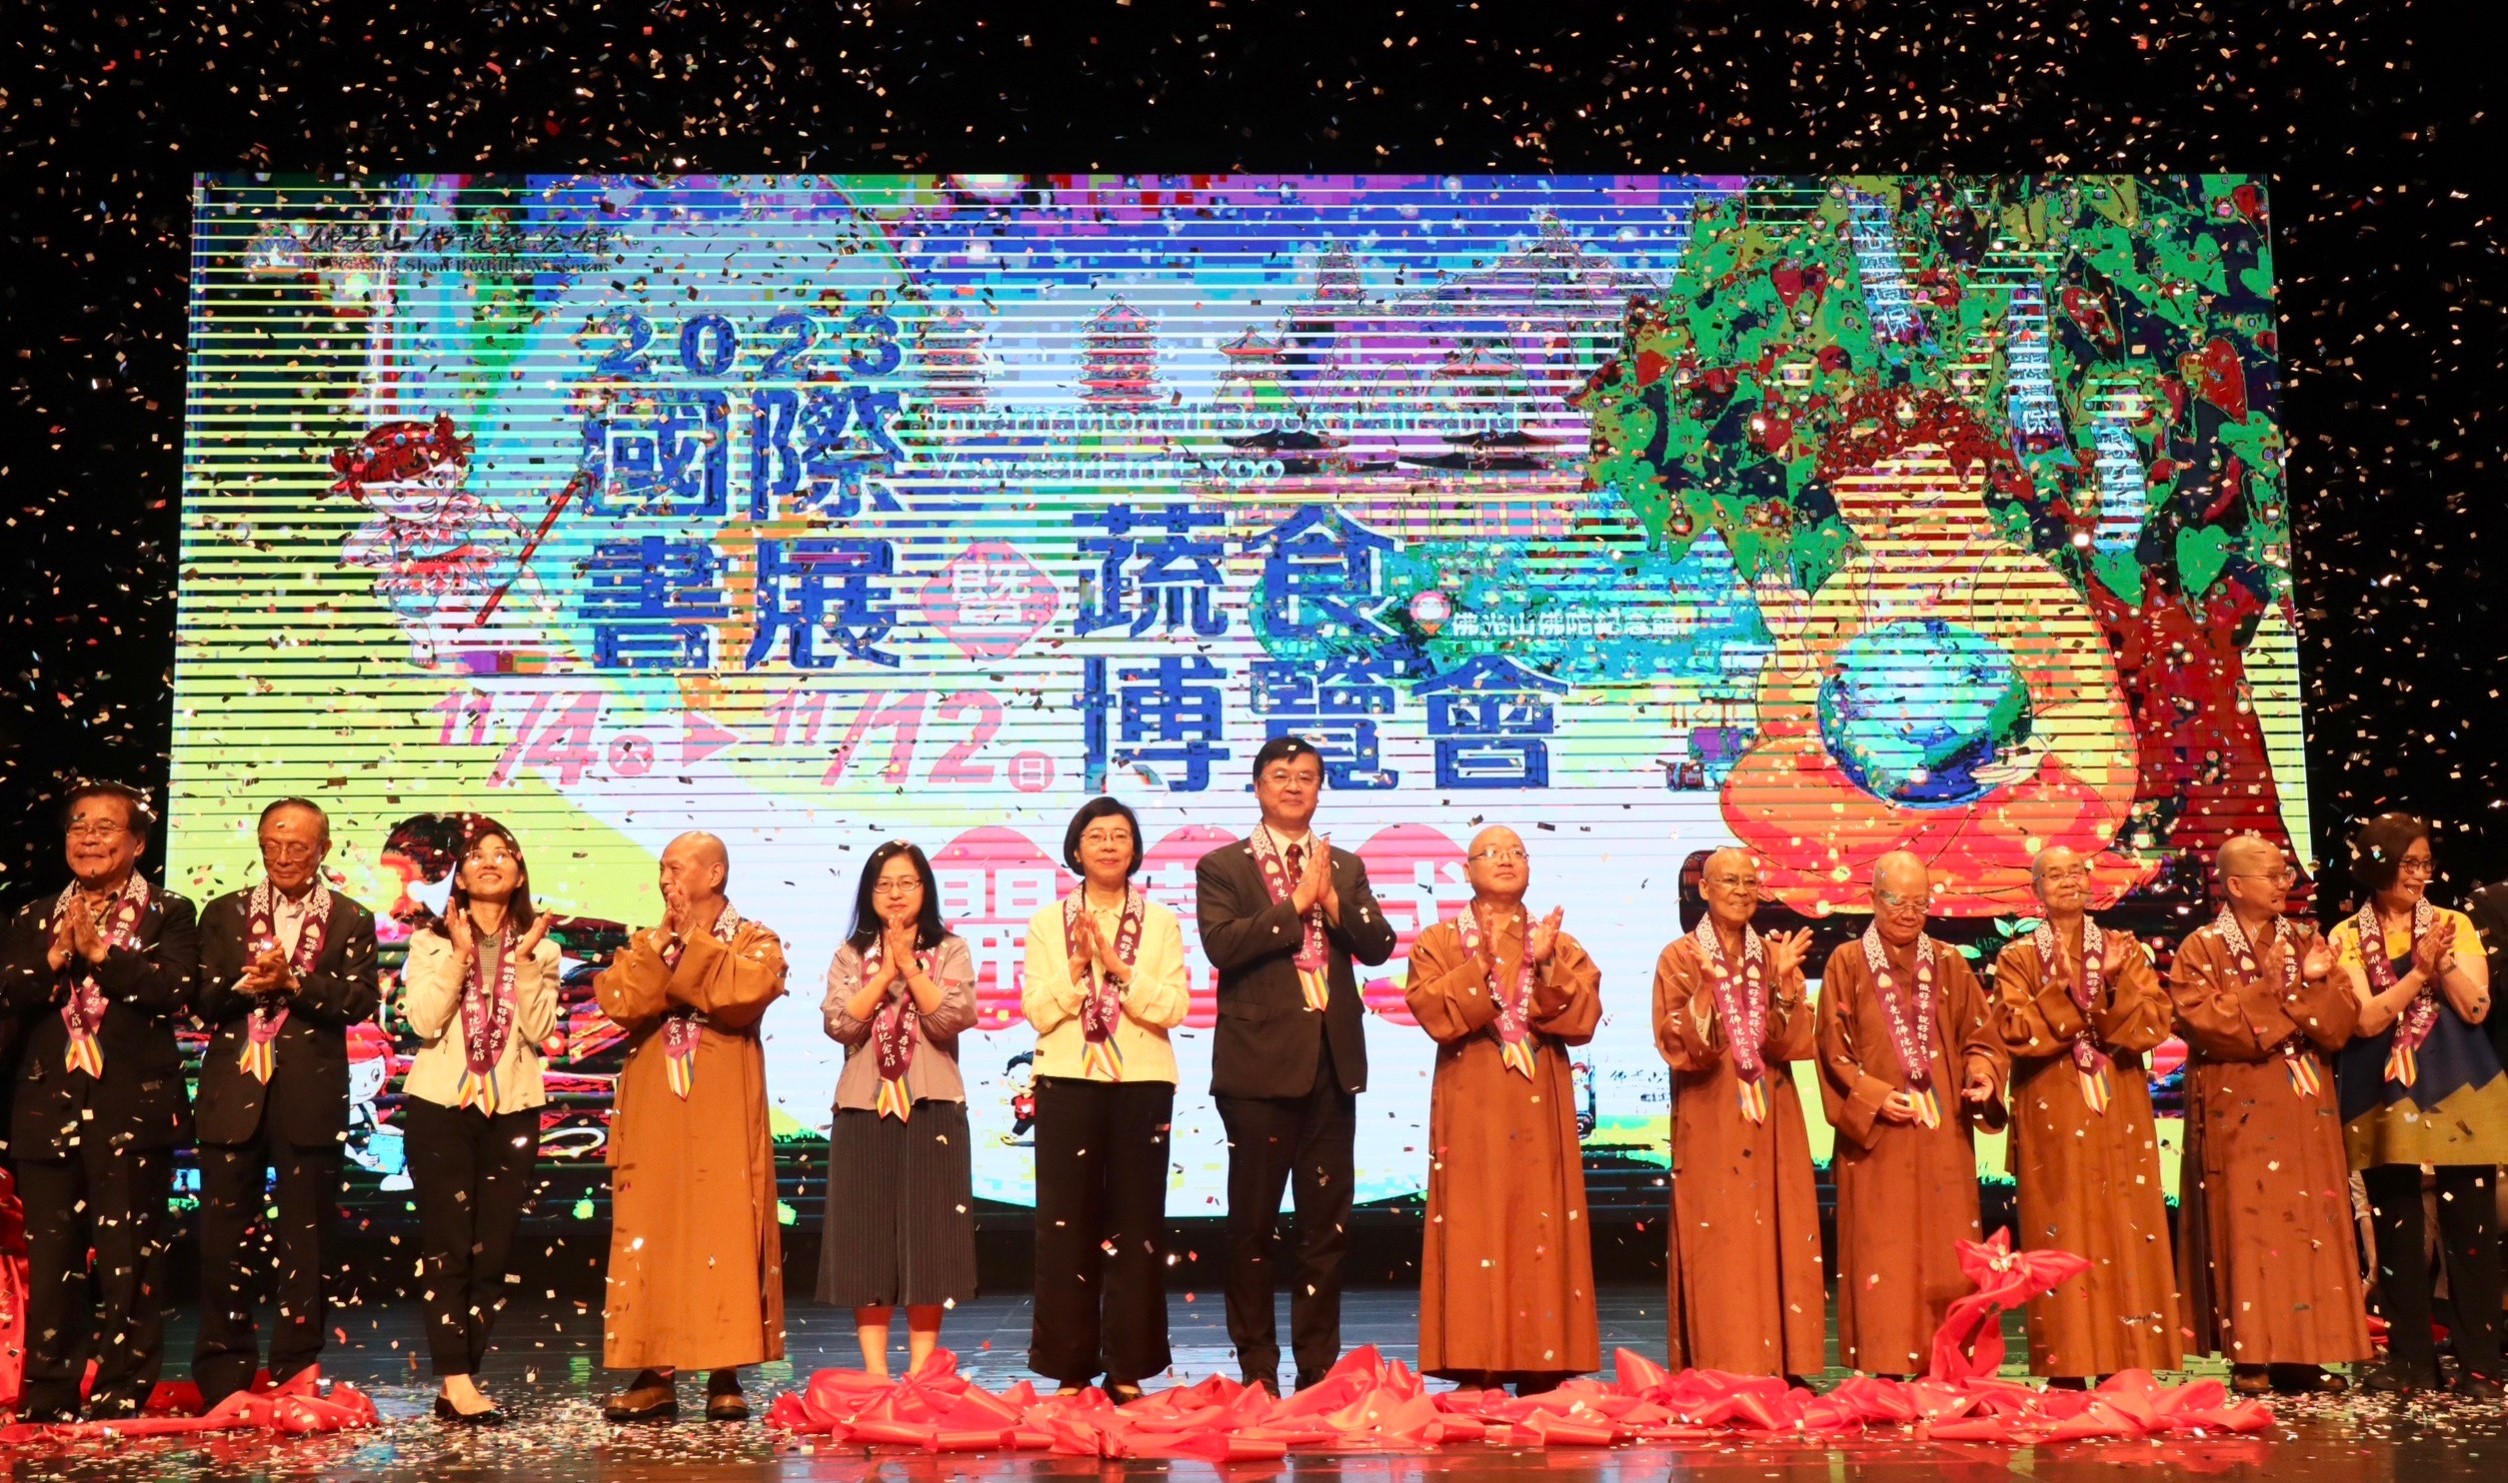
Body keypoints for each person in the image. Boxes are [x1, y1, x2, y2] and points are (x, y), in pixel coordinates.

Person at [1195, 736, 1398, 1394]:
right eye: (1280, 775)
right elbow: (1223, 945)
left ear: (1318, 790)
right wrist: (1296, 904)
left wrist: (1331, 900)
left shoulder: (1345, 865)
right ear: (1258, 786)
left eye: (1306, 776)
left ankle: (1317, 1366)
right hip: (1256, 1070)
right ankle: (1257, 1364)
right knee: (1252, 1226)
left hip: (1332, 1067)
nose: (1293, 785)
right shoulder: (1223, 866)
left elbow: (1379, 944)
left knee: (1324, 1228)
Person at [0, 781, 198, 1422]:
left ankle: (121, 1390)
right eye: (78, 825)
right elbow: (9, 992)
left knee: (129, 1260)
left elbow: (174, 989)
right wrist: (58, 954)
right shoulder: (33, 916)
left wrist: (101, 956)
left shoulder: (170, 912)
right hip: (45, 1106)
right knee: (52, 1258)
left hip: (132, 1109)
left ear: (137, 843)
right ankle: (50, 1391)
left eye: (106, 826)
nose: (89, 837)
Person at [594, 832, 790, 1423]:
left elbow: (745, 994)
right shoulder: (648, 940)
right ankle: (653, 1374)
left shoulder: (754, 939)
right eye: (662, 868)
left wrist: (693, 946)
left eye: (677, 868)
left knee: (725, 1228)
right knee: (650, 1225)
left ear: (715, 873)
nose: (666, 879)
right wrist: (664, 945)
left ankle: (724, 1372)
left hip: (722, 1105)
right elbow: (621, 1000)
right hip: (655, 1103)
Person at [192, 798, 381, 1407]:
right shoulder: (224, 913)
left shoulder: (351, 918)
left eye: (297, 845)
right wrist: (248, 983)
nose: (283, 856)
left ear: (323, 849)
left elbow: (360, 1001)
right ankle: (223, 1375)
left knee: (308, 1242)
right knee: (223, 1240)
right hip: (232, 1094)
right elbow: (201, 999)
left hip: (310, 1095)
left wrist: (293, 983)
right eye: (272, 844)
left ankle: (296, 1371)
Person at [2168, 833, 2370, 1396]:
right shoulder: (2201, 947)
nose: (2286, 883)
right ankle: (2251, 1354)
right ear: (2235, 885)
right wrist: (2278, 990)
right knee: (2248, 1225)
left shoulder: (2306, 940)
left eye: (2286, 874)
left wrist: (2310, 983)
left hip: (2305, 1106)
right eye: (2273, 875)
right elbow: (2205, 1024)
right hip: (2238, 1103)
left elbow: (2340, 1024)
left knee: (2311, 1223)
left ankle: (2303, 1354)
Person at [1403, 826, 1603, 1393]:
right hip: (1473, 1098)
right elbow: (1431, 1011)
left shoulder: (1557, 941)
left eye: (1517, 852)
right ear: (1467, 870)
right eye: (1491, 853)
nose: (1506, 860)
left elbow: (1584, 1018)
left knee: (1542, 1217)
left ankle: (1545, 1360)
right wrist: (1481, 967)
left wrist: (1545, 966)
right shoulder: (1439, 941)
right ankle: (1476, 1361)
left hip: (1540, 1105)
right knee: (1474, 1219)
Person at [1020, 798, 1191, 1400]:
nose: (1110, 845)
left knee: (1136, 1223)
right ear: (1076, 849)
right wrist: (1075, 969)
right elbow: (1037, 1011)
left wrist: (1119, 968)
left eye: (1121, 835)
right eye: (1097, 836)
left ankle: (1127, 1366)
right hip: (1067, 1079)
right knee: (1066, 1225)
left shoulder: (1161, 923)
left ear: (1135, 849)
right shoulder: (1048, 923)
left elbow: (1175, 1007)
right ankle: (1070, 1365)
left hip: (1142, 1082)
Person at [1992, 845, 2181, 1384]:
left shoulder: (2124, 949)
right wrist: (2076, 994)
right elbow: (2014, 1030)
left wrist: (2114, 983)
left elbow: (2155, 1023)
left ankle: (2130, 1359)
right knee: (2061, 1228)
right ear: (2036, 891)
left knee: (2127, 1224)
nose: (2068, 882)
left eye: (2076, 871)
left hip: (2117, 1103)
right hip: (2052, 1104)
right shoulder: (2018, 957)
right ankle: (2067, 1365)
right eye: (2054, 875)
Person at [1815, 849, 2008, 1377]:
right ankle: (1883, 1365)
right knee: (1882, 1251)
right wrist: (1874, 1096)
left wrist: (1982, 1075)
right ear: (1872, 899)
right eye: (1897, 901)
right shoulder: (1846, 962)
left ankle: (1948, 1364)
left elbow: (1981, 1037)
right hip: (1879, 1136)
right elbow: (1832, 1050)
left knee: (1948, 1249)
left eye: (1919, 903)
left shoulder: (1950, 962)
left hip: (1943, 1135)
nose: (1908, 913)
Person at [2327, 815, 2501, 1396]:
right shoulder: (2346, 934)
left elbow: (2476, 1008)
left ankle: (2480, 1364)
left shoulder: (2456, 924)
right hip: (2382, 1089)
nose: (2420, 875)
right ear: (2378, 865)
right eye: (2409, 864)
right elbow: (2365, 1019)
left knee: (2471, 1228)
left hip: (2458, 1085)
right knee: (2396, 1227)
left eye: (2426, 863)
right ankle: (2411, 1363)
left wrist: (2442, 962)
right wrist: (2417, 972)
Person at [398, 817, 559, 1423]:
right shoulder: (430, 942)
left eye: (503, 854)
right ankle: (457, 1378)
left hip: (512, 1107)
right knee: (448, 1245)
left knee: (493, 1251)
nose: (490, 861)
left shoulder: (542, 947)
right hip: (440, 1107)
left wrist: (526, 961)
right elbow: (423, 1021)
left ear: (519, 874)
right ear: (459, 878)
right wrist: (462, 956)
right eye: (477, 855)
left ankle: (459, 1377)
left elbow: (540, 1030)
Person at [1651, 847, 1824, 1382]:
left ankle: (1785, 1366)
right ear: (1704, 889)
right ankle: (1718, 1365)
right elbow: (1676, 1045)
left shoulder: (1771, 955)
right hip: (1710, 1111)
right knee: (1717, 1235)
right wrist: (1706, 991)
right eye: (1729, 881)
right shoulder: (1679, 957)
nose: (1741, 891)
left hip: (1773, 1113)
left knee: (1782, 1229)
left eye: (1750, 882)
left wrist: (1785, 987)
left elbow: (1793, 1045)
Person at [820, 840, 979, 1380]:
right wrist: (882, 971)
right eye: (884, 884)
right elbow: (841, 1023)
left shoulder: (950, 949)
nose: (895, 894)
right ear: (869, 893)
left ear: (925, 889)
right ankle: (875, 1375)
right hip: (863, 1108)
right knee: (866, 1243)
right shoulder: (850, 955)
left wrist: (910, 967)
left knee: (930, 1242)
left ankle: (921, 1372)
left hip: (933, 1106)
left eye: (907, 883)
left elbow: (949, 1018)